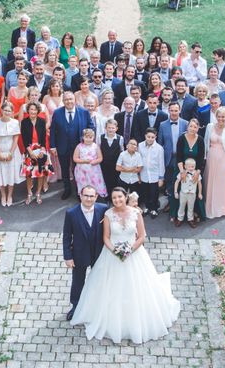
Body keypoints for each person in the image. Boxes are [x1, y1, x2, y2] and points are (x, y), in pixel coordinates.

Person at [70, 187, 181, 343]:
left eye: (120, 197)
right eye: (114, 198)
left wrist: (130, 250)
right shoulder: (108, 214)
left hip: (135, 254)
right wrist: (115, 251)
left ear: (125, 197)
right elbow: (106, 238)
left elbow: (142, 236)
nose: (117, 200)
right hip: (112, 255)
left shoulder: (136, 213)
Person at [62, 185, 108, 321]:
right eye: (86, 195)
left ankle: (97, 305)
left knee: (99, 279)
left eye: (91, 196)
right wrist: (68, 257)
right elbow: (66, 236)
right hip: (79, 253)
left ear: (96, 197)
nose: (88, 198)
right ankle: (76, 306)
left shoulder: (103, 209)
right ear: (81, 196)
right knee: (78, 281)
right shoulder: (71, 213)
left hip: (98, 252)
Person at [50, 91, 94, 200]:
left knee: (79, 170)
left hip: (79, 147)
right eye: (66, 99)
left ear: (75, 100)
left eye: (71, 99)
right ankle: (67, 189)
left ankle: (80, 192)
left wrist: (87, 141)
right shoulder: (57, 113)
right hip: (62, 146)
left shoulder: (84, 112)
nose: (69, 101)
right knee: (64, 169)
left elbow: (91, 126)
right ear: (63, 101)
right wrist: (53, 146)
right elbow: (53, 130)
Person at [203, 107, 225, 218]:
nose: (221, 119)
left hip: (224, 159)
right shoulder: (210, 126)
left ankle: (222, 208)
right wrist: (204, 158)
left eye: (223, 116)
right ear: (216, 116)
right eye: (219, 116)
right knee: (210, 182)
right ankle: (210, 206)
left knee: (222, 184)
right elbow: (205, 142)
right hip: (211, 158)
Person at [0, 101, 23, 206]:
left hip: (11, 150)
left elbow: (16, 139)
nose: (7, 112)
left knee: (10, 173)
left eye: (9, 111)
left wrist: (11, 153)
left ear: (12, 112)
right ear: (1, 110)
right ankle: (3, 195)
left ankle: (9, 195)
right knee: (1, 173)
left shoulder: (15, 123)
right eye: (5, 110)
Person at [21, 101, 53, 205]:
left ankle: (38, 193)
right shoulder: (24, 122)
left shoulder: (42, 121)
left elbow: (43, 138)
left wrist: (42, 150)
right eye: (31, 109)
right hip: (29, 149)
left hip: (41, 149)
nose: (33, 111)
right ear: (28, 110)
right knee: (29, 174)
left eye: (35, 109)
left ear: (38, 110)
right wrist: (30, 152)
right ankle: (29, 193)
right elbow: (24, 139)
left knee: (41, 173)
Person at [174, 118, 206, 222]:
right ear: (187, 127)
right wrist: (182, 171)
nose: (192, 129)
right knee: (181, 190)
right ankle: (177, 216)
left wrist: (197, 172)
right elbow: (178, 156)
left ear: (198, 128)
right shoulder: (181, 138)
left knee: (194, 190)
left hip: (195, 170)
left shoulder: (200, 140)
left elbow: (201, 159)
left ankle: (193, 215)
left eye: (195, 127)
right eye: (191, 126)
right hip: (181, 168)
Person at [158, 102, 188, 212]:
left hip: (181, 159)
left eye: (176, 110)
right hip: (168, 158)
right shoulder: (162, 125)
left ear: (179, 111)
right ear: (168, 111)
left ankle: (182, 205)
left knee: (181, 181)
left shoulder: (185, 124)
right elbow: (160, 144)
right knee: (170, 182)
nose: (174, 113)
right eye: (172, 110)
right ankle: (171, 204)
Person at [138, 128, 165, 218]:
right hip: (144, 173)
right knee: (145, 192)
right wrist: (138, 174)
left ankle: (154, 209)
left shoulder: (159, 148)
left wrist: (161, 178)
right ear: (145, 136)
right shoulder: (140, 146)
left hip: (154, 175)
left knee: (154, 193)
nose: (150, 139)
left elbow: (161, 163)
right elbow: (138, 159)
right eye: (148, 137)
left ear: (155, 137)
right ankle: (146, 207)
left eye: (152, 137)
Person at [73, 128, 108, 199]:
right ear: (83, 137)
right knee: (83, 184)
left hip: (94, 170)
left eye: (90, 137)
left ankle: (97, 196)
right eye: (86, 137)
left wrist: (95, 161)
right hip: (82, 171)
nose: (88, 139)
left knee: (95, 183)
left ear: (93, 137)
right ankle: (83, 196)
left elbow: (100, 158)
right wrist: (84, 161)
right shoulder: (79, 146)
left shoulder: (95, 146)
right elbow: (75, 158)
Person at [174, 158, 203, 228]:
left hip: (192, 194)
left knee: (191, 207)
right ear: (185, 166)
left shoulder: (196, 174)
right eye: (189, 166)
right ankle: (180, 219)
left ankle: (190, 219)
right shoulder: (182, 173)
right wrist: (175, 192)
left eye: (193, 166)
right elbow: (177, 182)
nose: (191, 168)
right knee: (181, 206)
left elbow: (199, 184)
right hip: (183, 193)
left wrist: (200, 193)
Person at [100, 119, 124, 195]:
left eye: (113, 128)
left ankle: (114, 195)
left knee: (115, 180)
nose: (111, 129)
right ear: (106, 128)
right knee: (106, 179)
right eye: (109, 127)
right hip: (104, 164)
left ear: (116, 129)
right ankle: (107, 195)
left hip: (115, 164)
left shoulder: (120, 138)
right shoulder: (101, 137)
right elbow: (99, 149)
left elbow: (122, 150)